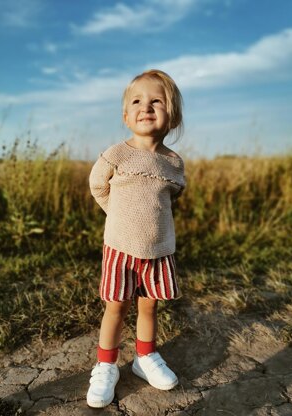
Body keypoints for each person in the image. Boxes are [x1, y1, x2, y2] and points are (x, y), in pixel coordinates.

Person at [87, 69, 186, 408]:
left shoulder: (173, 162)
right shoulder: (117, 154)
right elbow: (97, 185)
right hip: (120, 248)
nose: (147, 107)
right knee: (115, 307)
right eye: (137, 101)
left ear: (171, 115)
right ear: (126, 115)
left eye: (157, 100)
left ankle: (145, 357)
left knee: (149, 305)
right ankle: (106, 365)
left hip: (158, 251)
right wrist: (116, 216)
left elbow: (172, 198)